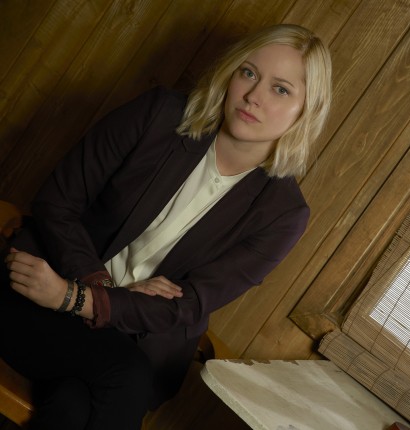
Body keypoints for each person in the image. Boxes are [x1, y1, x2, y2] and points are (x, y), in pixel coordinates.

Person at [0, 23, 331, 430]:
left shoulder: (283, 214)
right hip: (37, 289)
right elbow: (57, 202)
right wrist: (92, 287)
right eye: (248, 73)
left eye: (281, 89)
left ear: (306, 111)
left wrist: (78, 300)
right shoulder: (159, 115)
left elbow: (188, 304)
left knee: (73, 407)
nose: (253, 96)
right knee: (125, 378)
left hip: (128, 337)